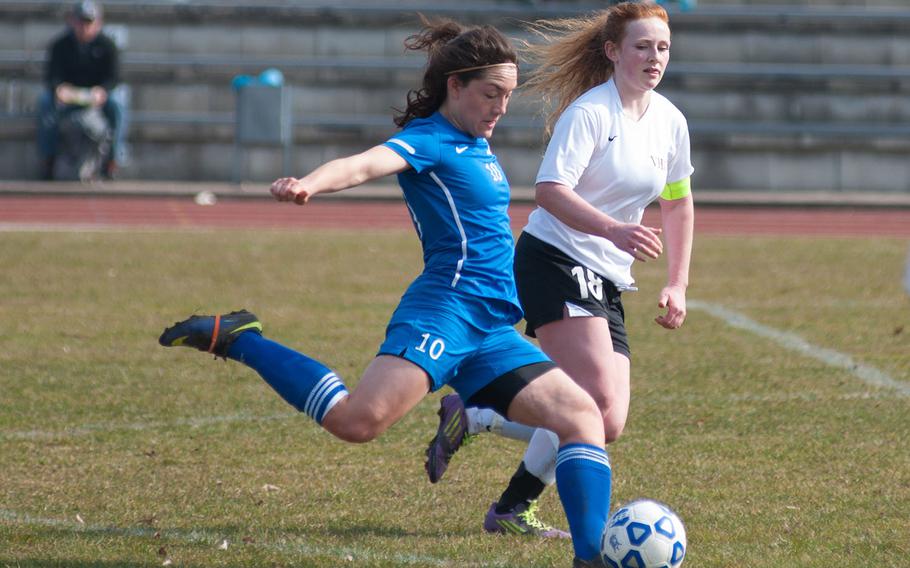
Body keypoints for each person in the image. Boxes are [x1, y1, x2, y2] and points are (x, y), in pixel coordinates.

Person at [159, 18, 613, 567]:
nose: (501, 108)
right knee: (358, 422)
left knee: (583, 419)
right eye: (491, 94)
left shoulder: (477, 145)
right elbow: (365, 163)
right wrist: (309, 183)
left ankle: (592, 559)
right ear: (456, 87)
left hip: (492, 328)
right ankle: (239, 338)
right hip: (446, 311)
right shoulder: (431, 141)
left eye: (509, 96)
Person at [424, 1, 694, 551]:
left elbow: (679, 202)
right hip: (555, 259)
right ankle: (508, 486)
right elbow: (549, 191)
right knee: (590, 406)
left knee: (607, 421)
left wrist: (678, 281)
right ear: (613, 51)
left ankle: (483, 434)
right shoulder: (591, 113)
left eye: (662, 47)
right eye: (642, 46)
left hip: (607, 276)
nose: (654, 57)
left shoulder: (670, 120)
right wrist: (613, 230)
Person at [37, 0, 124, 180]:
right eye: (80, 21)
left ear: (98, 23)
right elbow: (51, 77)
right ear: (72, 21)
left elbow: (114, 78)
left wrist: (102, 91)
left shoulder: (108, 45)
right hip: (68, 97)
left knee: (117, 105)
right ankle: (49, 159)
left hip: (96, 97)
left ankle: (113, 160)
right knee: (45, 102)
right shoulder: (60, 45)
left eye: (89, 22)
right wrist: (59, 89)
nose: (84, 27)